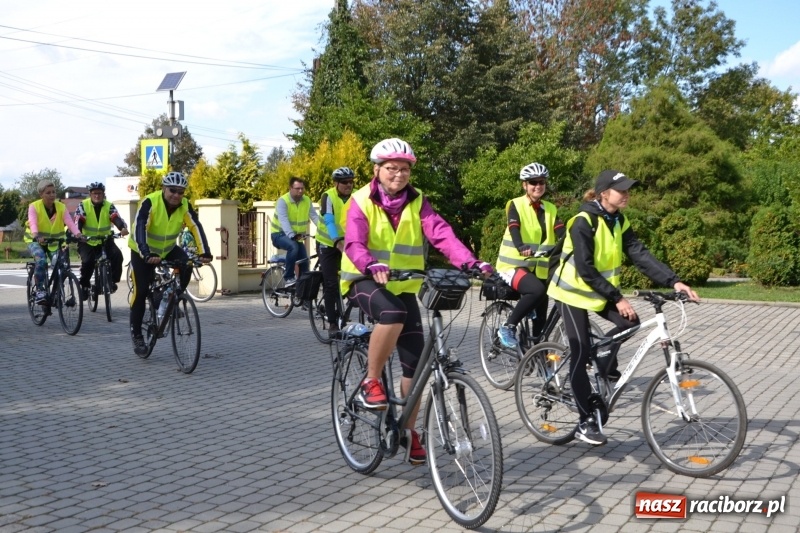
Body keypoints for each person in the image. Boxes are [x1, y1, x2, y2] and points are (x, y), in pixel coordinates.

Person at [340, 138, 493, 465]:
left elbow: (441, 234)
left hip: (405, 285)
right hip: (364, 279)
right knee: (392, 314)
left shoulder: (417, 201)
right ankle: (370, 381)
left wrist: (471, 263)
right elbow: (354, 242)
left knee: (416, 364)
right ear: (377, 170)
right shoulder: (359, 200)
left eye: (405, 169)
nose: (398, 174)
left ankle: (410, 433)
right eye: (391, 168)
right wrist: (370, 264)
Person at [548, 169, 699, 446]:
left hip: (599, 292)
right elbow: (585, 269)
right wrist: (617, 297)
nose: (627, 194)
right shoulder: (582, 222)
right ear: (604, 193)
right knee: (580, 352)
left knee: (630, 323)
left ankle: (603, 363)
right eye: (622, 190)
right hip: (572, 293)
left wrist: (674, 281)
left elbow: (639, 253)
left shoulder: (618, 220)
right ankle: (586, 422)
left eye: (628, 190)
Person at [128, 172, 212, 356]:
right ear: (163, 188)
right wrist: (146, 253)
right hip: (142, 250)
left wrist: (204, 251)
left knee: (187, 264)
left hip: (167, 248)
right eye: (172, 190)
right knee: (141, 291)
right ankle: (137, 335)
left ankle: (173, 296)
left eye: (180, 192)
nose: (176, 195)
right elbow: (140, 227)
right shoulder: (150, 202)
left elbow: (195, 226)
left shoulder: (184, 205)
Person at [495, 162, 565, 349]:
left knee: (541, 317)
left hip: (537, 269)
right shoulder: (515, 205)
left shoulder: (550, 208)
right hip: (512, 266)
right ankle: (508, 327)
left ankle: (536, 356)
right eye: (533, 182)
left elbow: (561, 231)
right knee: (536, 291)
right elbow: (514, 227)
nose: (538, 186)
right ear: (524, 185)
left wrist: (575, 245)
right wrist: (520, 245)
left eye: (541, 182)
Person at [24, 180, 86, 304]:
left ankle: (57, 292)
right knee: (41, 260)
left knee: (62, 264)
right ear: (41, 194)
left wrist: (78, 234)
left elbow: (69, 222)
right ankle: (40, 291)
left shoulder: (61, 207)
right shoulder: (34, 206)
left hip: (54, 242)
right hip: (35, 240)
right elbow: (33, 222)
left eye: (54, 192)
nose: (52, 195)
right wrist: (36, 234)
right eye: (48, 193)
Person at [316, 167, 355, 336]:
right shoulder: (328, 196)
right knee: (331, 283)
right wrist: (337, 241)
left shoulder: (356, 197)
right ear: (336, 183)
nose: (349, 185)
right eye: (345, 182)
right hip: (327, 244)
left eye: (351, 181)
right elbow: (329, 221)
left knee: (356, 276)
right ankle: (332, 323)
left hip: (347, 243)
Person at [74, 181, 129, 299]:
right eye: (94, 193)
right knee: (88, 261)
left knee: (117, 256)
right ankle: (84, 285)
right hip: (87, 241)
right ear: (90, 194)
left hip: (105, 240)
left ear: (103, 194)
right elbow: (78, 220)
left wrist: (122, 228)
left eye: (99, 193)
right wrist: (78, 233)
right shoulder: (83, 205)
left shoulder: (109, 205)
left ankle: (111, 281)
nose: (97, 196)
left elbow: (116, 217)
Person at [269, 177, 320, 287]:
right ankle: (288, 278)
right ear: (290, 188)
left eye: (302, 188)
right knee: (293, 247)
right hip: (279, 234)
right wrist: (291, 235)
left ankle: (304, 297)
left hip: (296, 237)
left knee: (305, 263)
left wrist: (326, 230)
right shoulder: (283, 201)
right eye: (297, 188)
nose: (300, 191)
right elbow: (284, 220)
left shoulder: (306, 200)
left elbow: (314, 217)